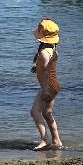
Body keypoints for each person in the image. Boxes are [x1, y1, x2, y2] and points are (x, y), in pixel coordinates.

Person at [30, 19, 63, 151]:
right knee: (46, 113)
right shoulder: (50, 48)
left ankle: (45, 140)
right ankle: (57, 140)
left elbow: (45, 74)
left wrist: (44, 90)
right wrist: (36, 66)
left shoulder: (44, 53)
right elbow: (45, 68)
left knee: (34, 112)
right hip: (53, 84)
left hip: (48, 86)